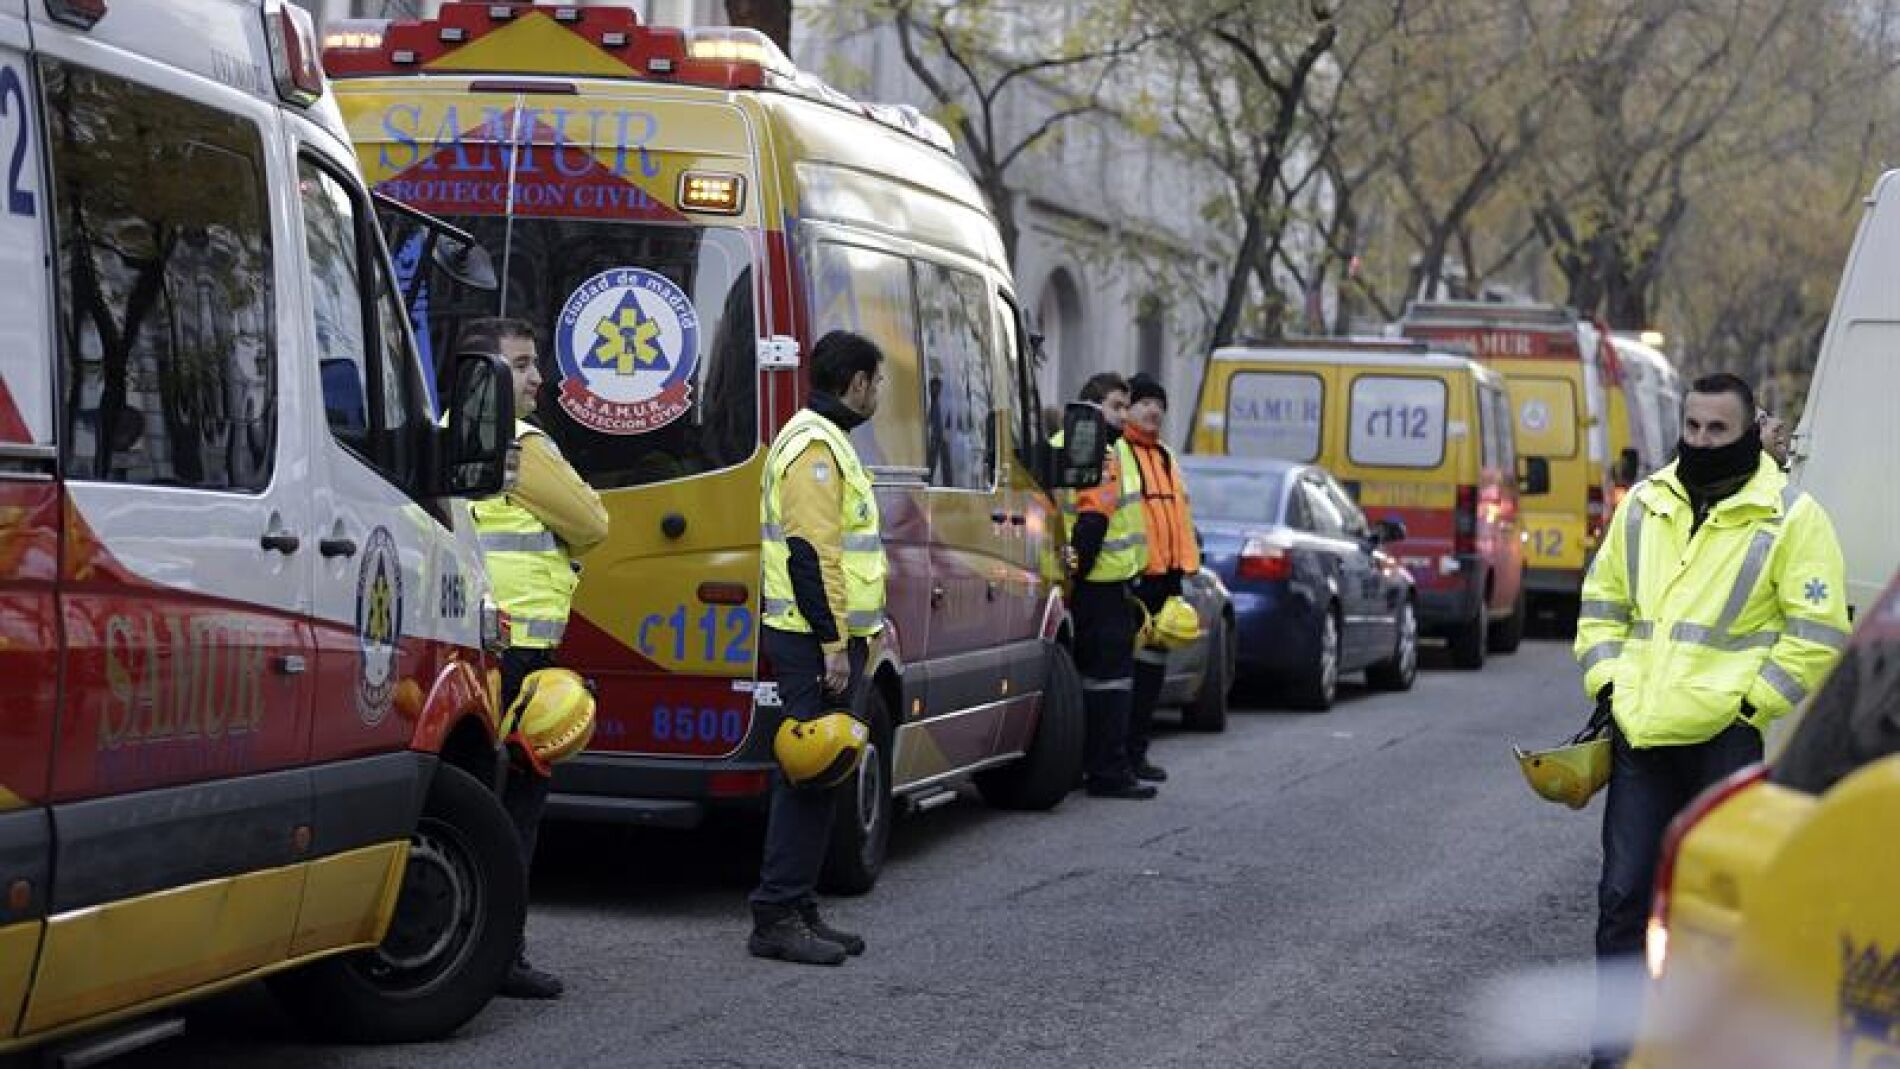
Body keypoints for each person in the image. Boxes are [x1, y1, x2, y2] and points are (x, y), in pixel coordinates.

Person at [1574, 372, 1848, 1066]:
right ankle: (1615, 1054)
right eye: (1691, 427)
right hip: (1641, 735)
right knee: (1622, 901)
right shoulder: (1644, 504)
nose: (1699, 440)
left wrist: (1752, 704)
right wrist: (1610, 683)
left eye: (1716, 429)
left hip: (1726, 740)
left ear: (1749, 431)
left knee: (1719, 910)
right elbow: (1602, 603)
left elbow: (1815, 630)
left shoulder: (1791, 516)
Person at [461, 317, 610, 1000]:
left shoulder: (443, 434)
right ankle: (504, 954)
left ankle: (464, 947)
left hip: (465, 643)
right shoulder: (522, 446)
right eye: (521, 365)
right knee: (517, 809)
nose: (538, 378)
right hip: (522, 653)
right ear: (487, 374)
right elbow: (591, 522)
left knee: (471, 810)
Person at [751, 330, 889, 965]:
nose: (879, 393)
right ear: (856, 383)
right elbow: (810, 556)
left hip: (830, 635)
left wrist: (862, 629)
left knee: (823, 770)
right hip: (812, 639)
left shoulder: (830, 442)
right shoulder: (813, 445)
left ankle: (799, 905)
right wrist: (835, 645)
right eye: (876, 381)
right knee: (806, 770)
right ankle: (776, 914)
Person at [1062, 372, 1155, 800]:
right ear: (1093, 407)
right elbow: (1093, 520)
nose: (1124, 415)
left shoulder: (1075, 445)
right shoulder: (1096, 449)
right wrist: (1077, 572)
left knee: (1090, 683)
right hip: (1098, 586)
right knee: (1110, 684)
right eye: (1117, 406)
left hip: (1092, 584)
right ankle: (1109, 772)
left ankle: (1086, 765)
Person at [1121, 372, 1200, 783]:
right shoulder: (1120, 453)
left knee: (1151, 674)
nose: (1154, 410)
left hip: (1165, 581)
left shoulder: (1166, 456)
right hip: (1132, 580)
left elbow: (1178, 516)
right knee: (1124, 676)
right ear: (1129, 408)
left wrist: (1182, 571)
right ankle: (1119, 757)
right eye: (1146, 402)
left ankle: (1137, 753)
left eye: (1160, 405)